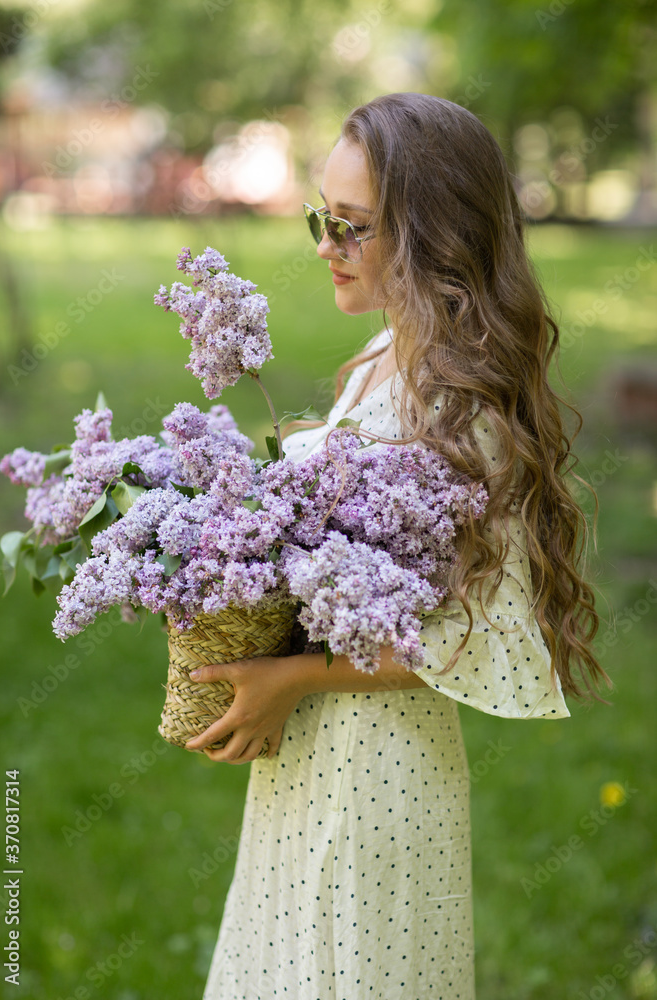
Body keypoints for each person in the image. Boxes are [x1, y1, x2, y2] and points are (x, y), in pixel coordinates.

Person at [189, 93, 609, 999]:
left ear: (433, 236)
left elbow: (474, 632)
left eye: (352, 228)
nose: (324, 248)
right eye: (321, 220)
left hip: (377, 777)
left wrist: (292, 677)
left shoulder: (461, 401)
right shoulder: (389, 352)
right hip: (310, 761)